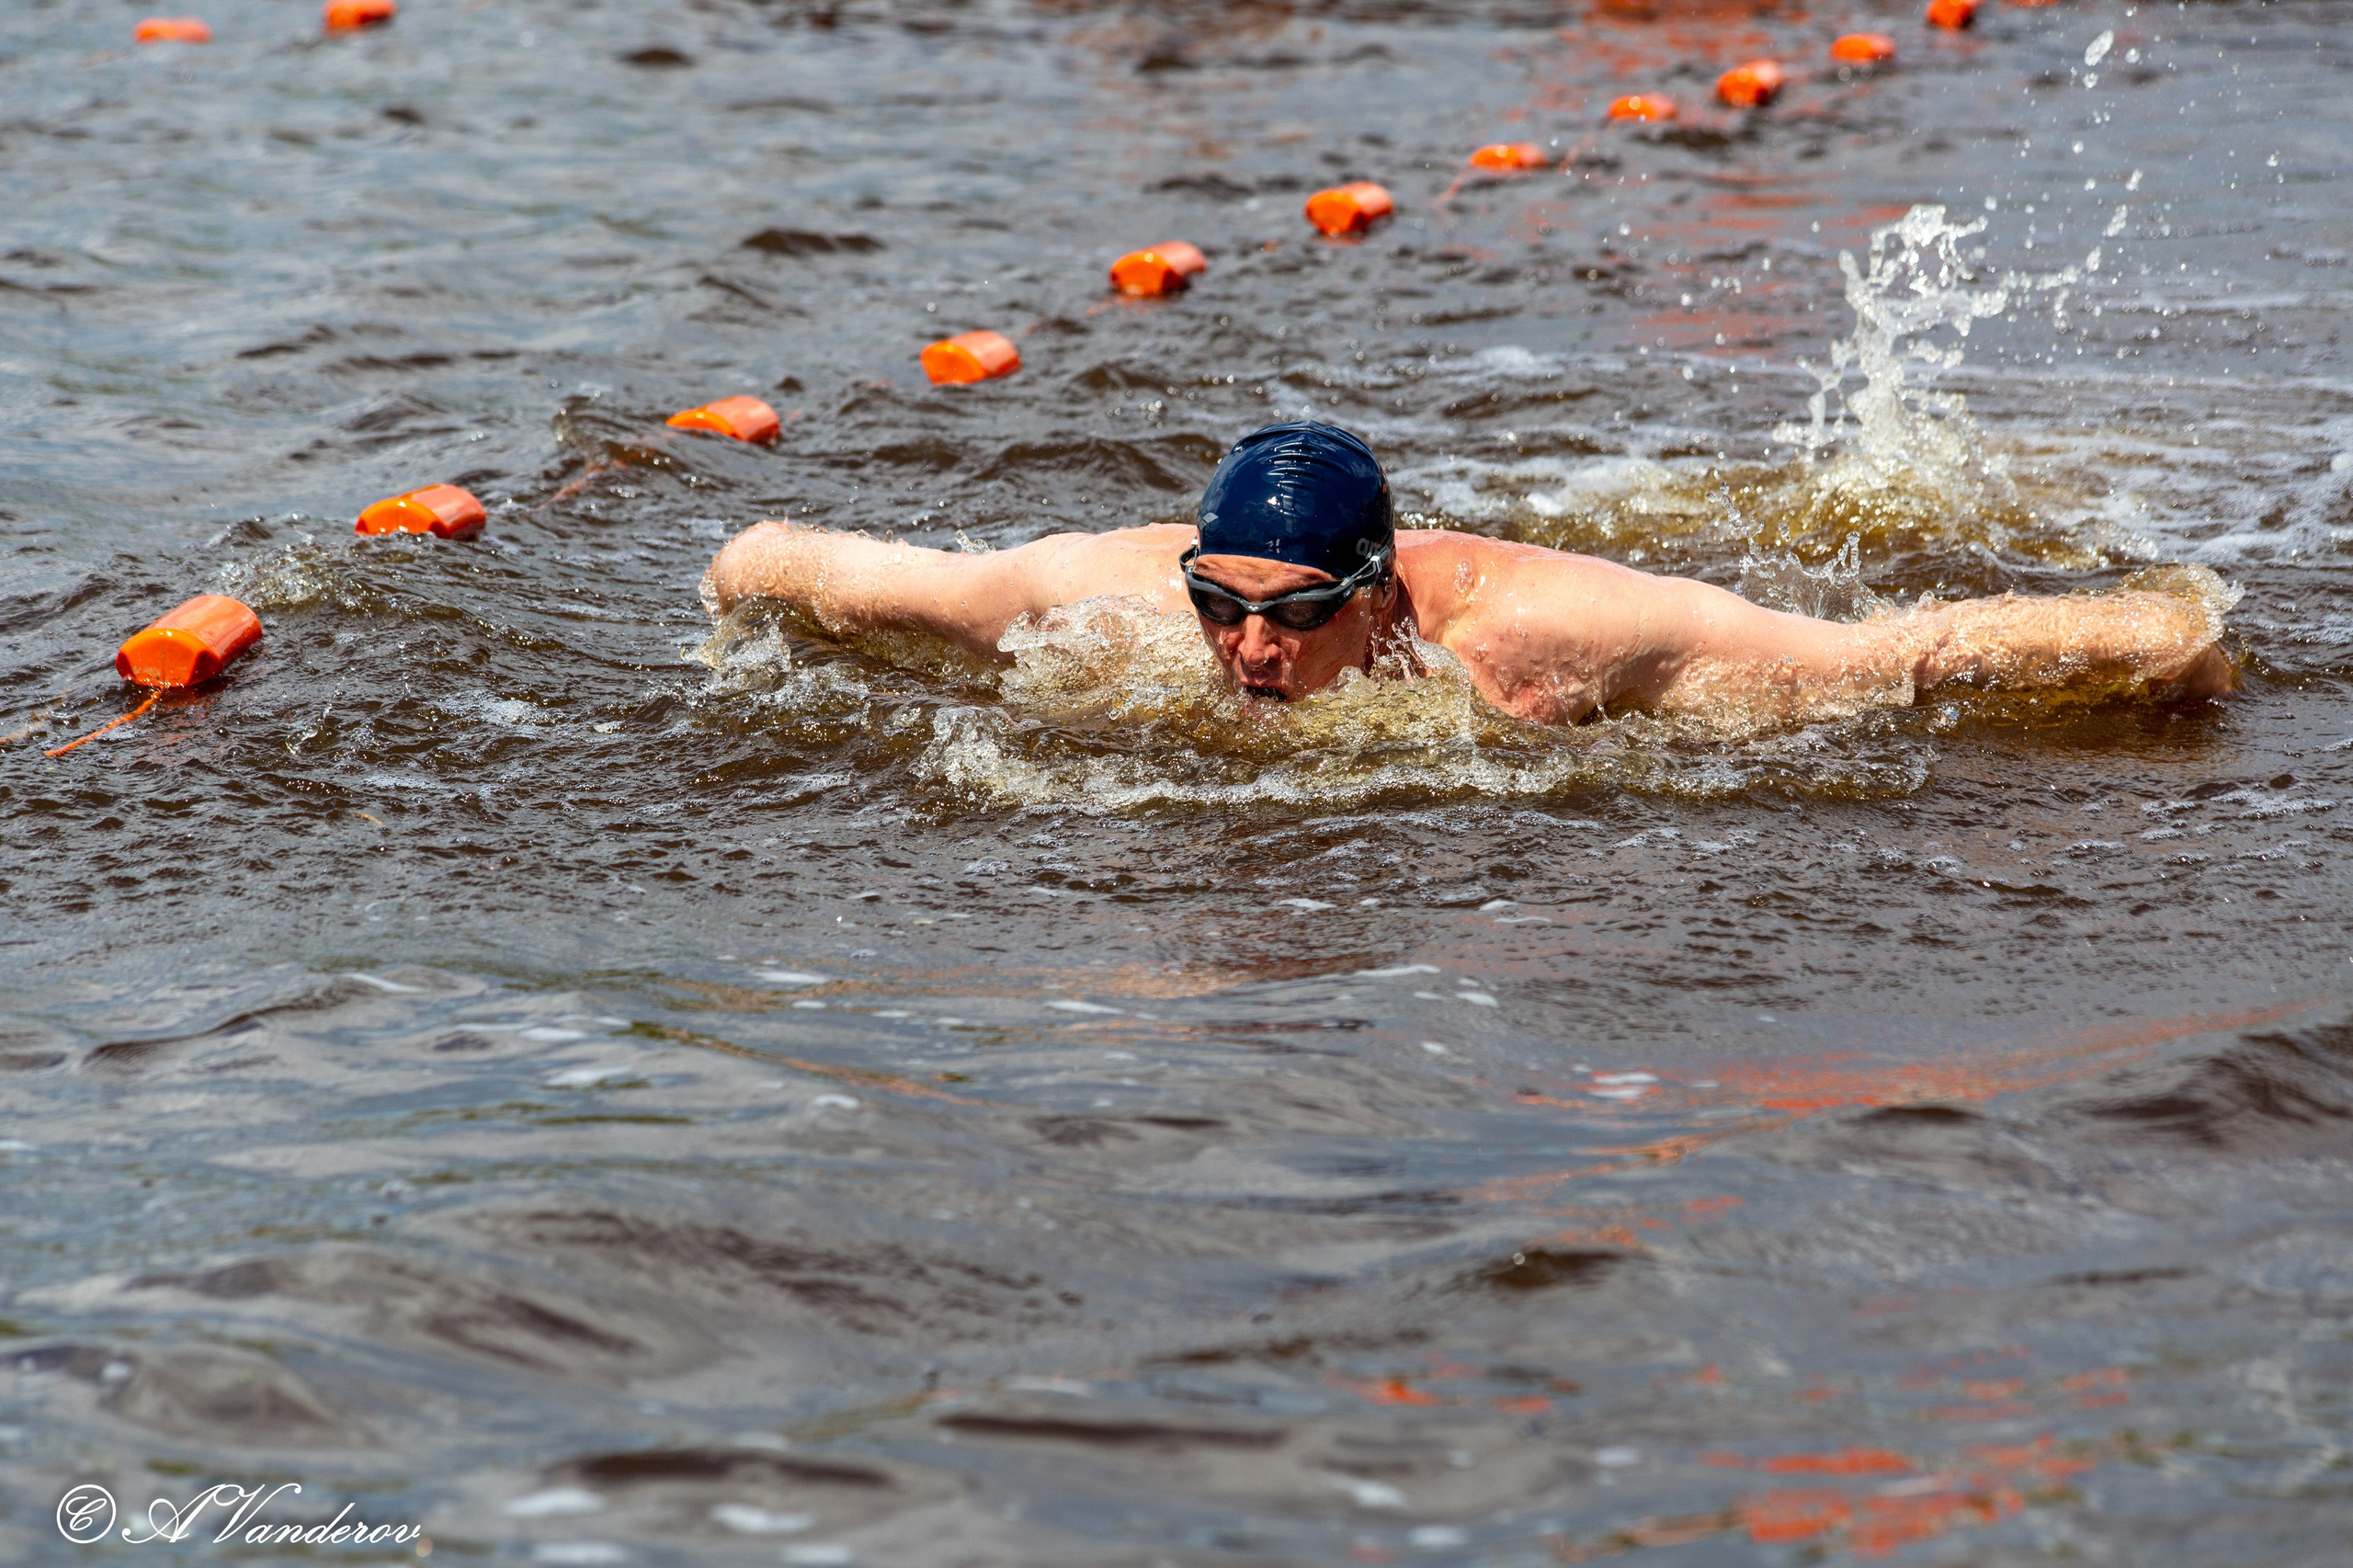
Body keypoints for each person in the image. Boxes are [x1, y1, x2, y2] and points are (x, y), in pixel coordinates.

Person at [702, 420, 2233, 725]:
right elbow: (804, 564)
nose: (1244, 649)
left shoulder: (1550, 635)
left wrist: (2167, 641)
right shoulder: (1095, 598)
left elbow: (1889, 653)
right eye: (1216, 605)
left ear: (1372, 599)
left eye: (1290, 615)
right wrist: (741, 581)